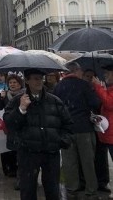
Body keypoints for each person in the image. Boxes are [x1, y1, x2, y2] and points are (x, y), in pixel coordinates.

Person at [4, 69, 72, 200]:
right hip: (28, 153)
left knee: (53, 190)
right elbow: (9, 124)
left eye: (40, 78)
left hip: (50, 153)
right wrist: (21, 109)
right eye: (35, 78)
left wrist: (62, 140)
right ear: (27, 81)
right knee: (28, 190)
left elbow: (67, 123)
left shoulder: (55, 101)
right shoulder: (18, 100)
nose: (39, 81)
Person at [53, 62, 101, 200]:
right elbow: (95, 103)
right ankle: (91, 191)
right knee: (88, 162)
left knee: (69, 162)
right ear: (77, 71)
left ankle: (72, 189)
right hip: (84, 128)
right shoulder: (84, 85)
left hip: (67, 130)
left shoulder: (58, 87)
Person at [0, 74, 25, 181]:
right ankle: (10, 169)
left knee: (19, 149)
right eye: (10, 83)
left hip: (21, 125)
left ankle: (19, 170)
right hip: (9, 125)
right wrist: (1, 97)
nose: (12, 84)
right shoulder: (5, 94)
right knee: (9, 148)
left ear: (20, 84)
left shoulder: (25, 95)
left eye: (14, 82)